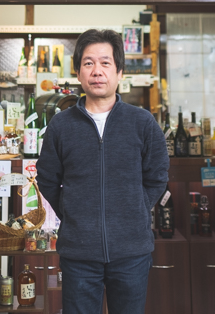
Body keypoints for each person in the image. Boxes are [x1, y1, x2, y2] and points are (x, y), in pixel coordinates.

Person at [36, 29, 169, 314]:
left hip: (132, 252)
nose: (97, 71)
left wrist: (134, 208)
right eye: (88, 63)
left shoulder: (143, 123)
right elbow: (47, 178)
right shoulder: (61, 125)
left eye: (105, 63)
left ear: (120, 72)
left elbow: (157, 176)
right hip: (78, 253)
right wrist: (73, 212)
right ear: (78, 73)